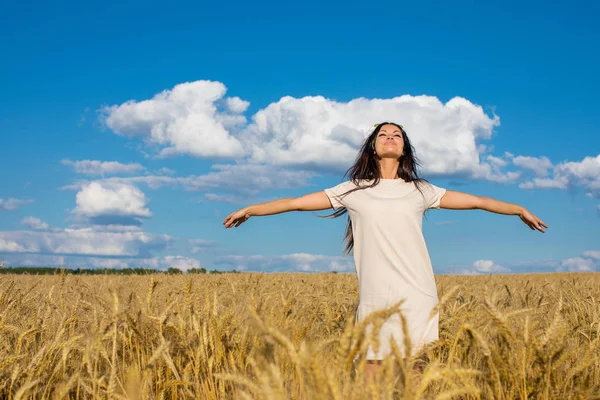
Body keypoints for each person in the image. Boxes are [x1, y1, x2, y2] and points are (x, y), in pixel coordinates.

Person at [222, 122, 547, 382]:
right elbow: (294, 203)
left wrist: (517, 209)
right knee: (370, 376)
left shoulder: (421, 190)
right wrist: (252, 209)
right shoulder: (352, 190)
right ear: (373, 148)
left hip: (417, 293)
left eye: (397, 135)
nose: (390, 137)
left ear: (403, 148)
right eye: (383, 134)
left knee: (415, 375)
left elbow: (477, 201)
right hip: (375, 296)